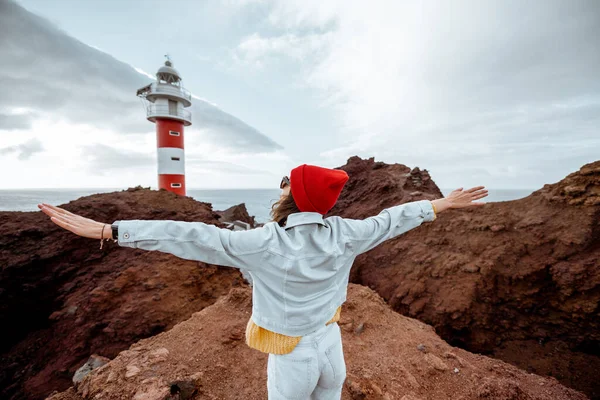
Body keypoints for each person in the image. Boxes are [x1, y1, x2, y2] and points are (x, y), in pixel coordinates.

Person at [38, 163, 488, 399]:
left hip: (290, 355)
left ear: (292, 196)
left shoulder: (261, 244)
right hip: (331, 345)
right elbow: (391, 220)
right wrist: (442, 204)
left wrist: (109, 230)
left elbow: (190, 235)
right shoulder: (348, 233)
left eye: (285, 185)